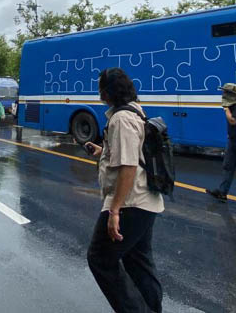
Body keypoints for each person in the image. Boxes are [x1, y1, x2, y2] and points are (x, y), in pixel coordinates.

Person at [85, 68, 164, 313]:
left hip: (131, 202)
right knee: (138, 261)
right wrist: (103, 152)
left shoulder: (121, 118)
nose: (99, 95)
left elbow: (129, 166)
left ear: (108, 92)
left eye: (101, 89)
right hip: (146, 200)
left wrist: (115, 211)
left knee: (100, 258)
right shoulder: (136, 110)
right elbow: (133, 153)